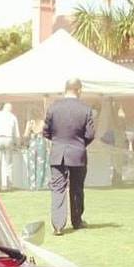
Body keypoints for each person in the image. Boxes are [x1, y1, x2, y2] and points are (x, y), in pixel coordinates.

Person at [43, 79, 95, 235]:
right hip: (78, 153)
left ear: (65, 89)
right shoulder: (85, 109)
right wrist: (80, 144)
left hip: (58, 152)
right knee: (77, 189)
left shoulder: (53, 107)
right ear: (78, 90)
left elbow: (46, 131)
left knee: (58, 189)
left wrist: (58, 142)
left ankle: (58, 226)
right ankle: (77, 221)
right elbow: (90, 134)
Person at [0, 103, 19, 191]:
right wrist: (16, 143)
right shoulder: (13, 116)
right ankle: (9, 185)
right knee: (8, 163)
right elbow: (16, 132)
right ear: (10, 109)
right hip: (8, 138)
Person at [23, 110, 48, 190]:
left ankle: (32, 185)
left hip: (32, 143)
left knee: (31, 165)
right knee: (41, 165)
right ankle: (39, 185)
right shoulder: (43, 122)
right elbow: (47, 134)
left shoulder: (30, 122)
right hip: (41, 143)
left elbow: (26, 134)